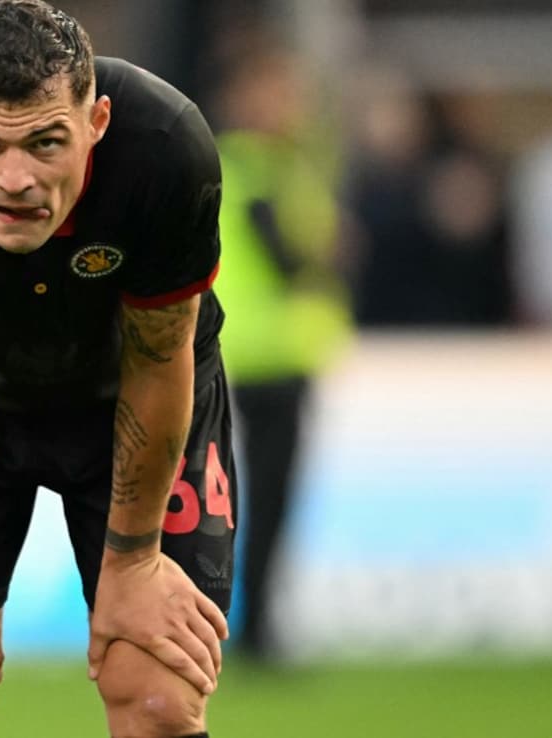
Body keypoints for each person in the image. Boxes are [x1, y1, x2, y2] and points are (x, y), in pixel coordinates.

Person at [0, 2, 234, 736]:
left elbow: (159, 358)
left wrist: (134, 561)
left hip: (132, 390)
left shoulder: (166, 150)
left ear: (97, 122)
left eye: (46, 142)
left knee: (157, 692)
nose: (14, 179)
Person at [212, 43, 351, 662]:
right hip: (271, 356)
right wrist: (330, 252)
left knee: (248, 497)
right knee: (268, 497)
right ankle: (257, 629)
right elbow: (289, 258)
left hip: (254, 353)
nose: (287, 106)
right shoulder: (259, 168)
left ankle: (253, 620)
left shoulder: (246, 164)